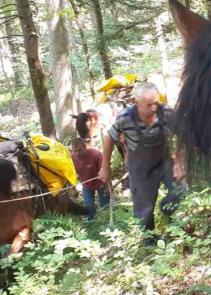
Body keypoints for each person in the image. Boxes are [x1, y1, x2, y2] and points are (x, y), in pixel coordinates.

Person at [99, 82, 185, 233]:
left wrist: (180, 162)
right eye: (149, 105)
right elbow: (109, 139)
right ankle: (149, 241)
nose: (154, 108)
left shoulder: (166, 113)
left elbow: (182, 135)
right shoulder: (124, 118)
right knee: (143, 208)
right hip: (139, 168)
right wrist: (105, 167)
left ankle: (172, 221)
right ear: (136, 103)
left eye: (155, 103)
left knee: (180, 191)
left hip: (164, 162)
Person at [71, 137, 108, 219]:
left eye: (79, 150)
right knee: (89, 210)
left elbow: (105, 171)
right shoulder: (72, 158)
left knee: (105, 208)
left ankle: (107, 226)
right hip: (86, 186)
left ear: (85, 147)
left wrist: (108, 187)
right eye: (75, 151)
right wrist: (74, 189)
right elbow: (71, 174)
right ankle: (91, 227)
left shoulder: (96, 154)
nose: (77, 153)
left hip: (100, 184)